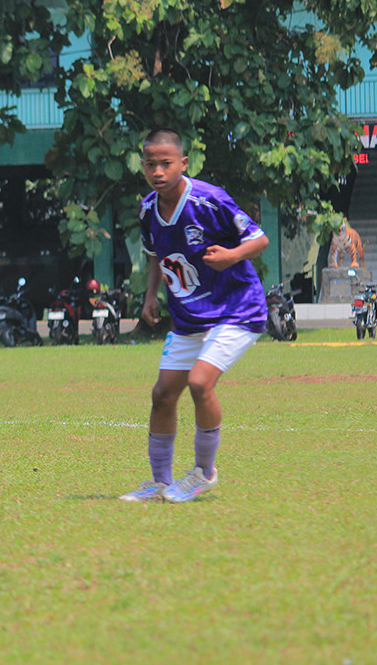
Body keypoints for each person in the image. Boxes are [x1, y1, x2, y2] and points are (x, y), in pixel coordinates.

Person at [120, 128, 269, 504]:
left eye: (166, 163)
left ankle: (204, 472)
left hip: (237, 309)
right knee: (162, 395)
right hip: (189, 317)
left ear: (183, 163)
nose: (158, 171)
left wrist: (233, 256)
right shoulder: (147, 208)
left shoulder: (208, 199)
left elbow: (259, 239)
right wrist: (150, 295)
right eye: (150, 163)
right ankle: (159, 482)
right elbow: (156, 254)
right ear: (142, 165)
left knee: (201, 383)